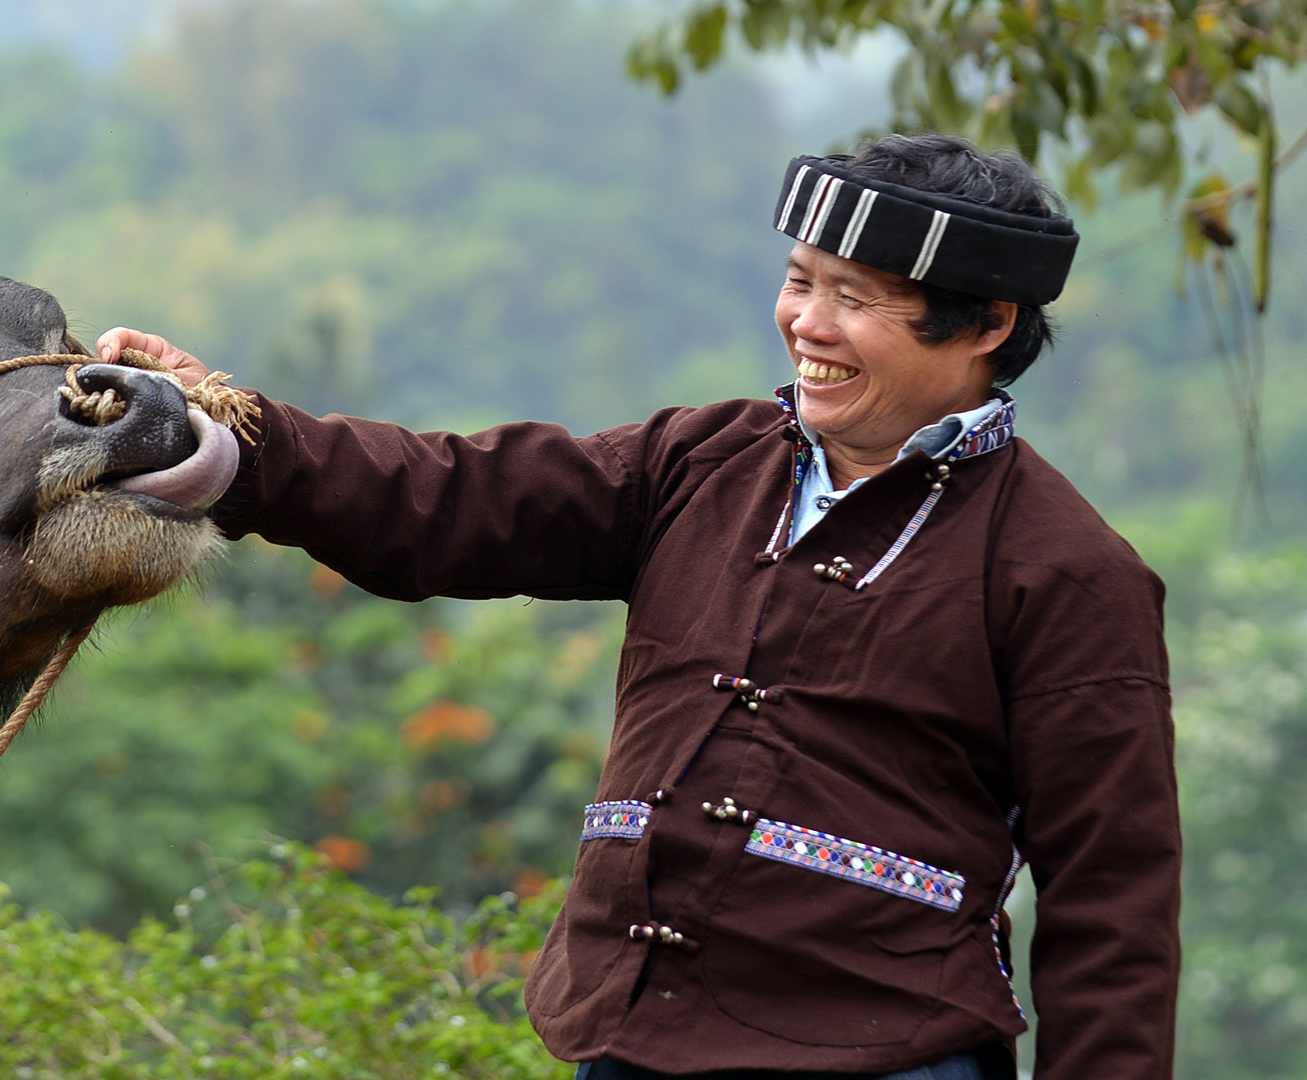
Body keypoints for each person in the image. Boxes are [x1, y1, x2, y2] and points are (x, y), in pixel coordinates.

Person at [98, 133, 1179, 1080]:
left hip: (887, 1055)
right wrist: (224, 440)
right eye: (800, 281)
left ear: (986, 324)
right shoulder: (700, 462)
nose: (808, 323)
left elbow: (1113, 900)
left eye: (855, 299)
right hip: (627, 1035)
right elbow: (451, 499)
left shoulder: (1067, 572)